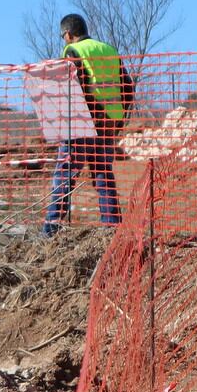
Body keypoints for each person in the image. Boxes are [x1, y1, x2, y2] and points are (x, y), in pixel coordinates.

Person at [43, 13, 130, 235]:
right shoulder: (108, 50)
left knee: (64, 175)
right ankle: (113, 229)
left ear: (68, 34)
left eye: (63, 37)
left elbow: (71, 88)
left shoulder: (73, 52)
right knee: (103, 174)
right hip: (108, 123)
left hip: (82, 124)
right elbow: (127, 86)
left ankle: (50, 231)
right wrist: (119, 118)